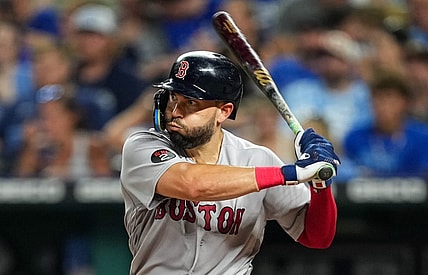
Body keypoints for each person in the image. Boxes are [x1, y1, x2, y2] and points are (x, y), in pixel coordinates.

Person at [120, 51, 340, 274]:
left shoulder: (256, 159)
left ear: (223, 111)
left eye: (191, 102)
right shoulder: (142, 146)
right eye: (173, 98)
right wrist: (290, 173)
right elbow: (192, 184)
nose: (175, 112)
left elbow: (317, 237)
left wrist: (320, 183)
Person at [343, 69, 428, 179]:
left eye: (390, 98)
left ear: (406, 103)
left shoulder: (422, 139)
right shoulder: (354, 138)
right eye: (378, 98)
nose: (384, 106)